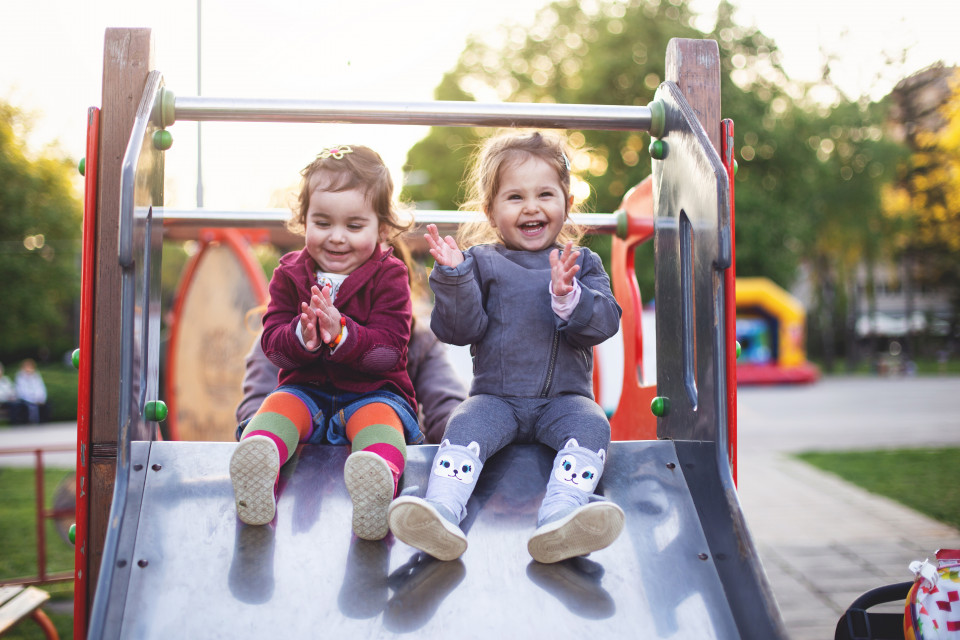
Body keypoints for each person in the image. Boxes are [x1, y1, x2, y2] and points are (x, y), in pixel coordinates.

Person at [387, 131, 626, 564]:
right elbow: (458, 329)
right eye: (515, 197)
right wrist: (456, 277)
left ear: (567, 203)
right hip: (496, 399)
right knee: (464, 423)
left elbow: (604, 323)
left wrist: (570, 298)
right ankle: (441, 511)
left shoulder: (583, 264)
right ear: (491, 212)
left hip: (564, 401)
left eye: (545, 195)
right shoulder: (481, 263)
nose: (532, 207)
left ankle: (560, 517)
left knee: (594, 427)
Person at [230, 144, 421, 541]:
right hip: (308, 391)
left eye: (354, 226)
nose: (336, 238)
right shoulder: (289, 274)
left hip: (373, 392)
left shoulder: (390, 276)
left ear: (381, 228)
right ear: (304, 221)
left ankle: (376, 483)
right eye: (322, 223)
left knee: (379, 421)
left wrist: (341, 335)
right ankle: (258, 466)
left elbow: (390, 351)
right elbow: (274, 346)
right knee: (279, 404)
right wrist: (303, 336)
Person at [235, 316, 466, 445]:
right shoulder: (286, 337)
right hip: (301, 461)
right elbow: (257, 403)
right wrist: (270, 434)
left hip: (385, 444)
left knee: (382, 417)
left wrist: (468, 437)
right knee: (276, 414)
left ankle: (380, 465)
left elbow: (445, 403)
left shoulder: (417, 340)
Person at [14, 359, 47, 424]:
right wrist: (33, 399)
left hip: (37, 399)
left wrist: (40, 398)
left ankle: (43, 422)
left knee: (46, 405)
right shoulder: (20, 376)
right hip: (25, 399)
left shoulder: (36, 376)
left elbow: (40, 388)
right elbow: (22, 391)